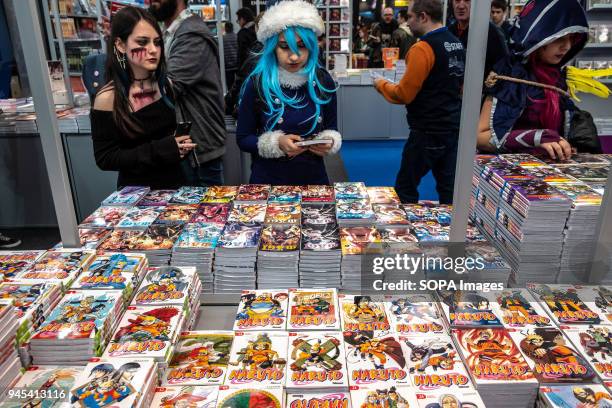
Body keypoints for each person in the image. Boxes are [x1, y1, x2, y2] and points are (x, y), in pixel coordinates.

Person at [236, 0, 342, 185]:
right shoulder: (258, 83)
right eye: (284, 47)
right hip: (269, 182)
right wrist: (276, 143)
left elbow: (332, 129)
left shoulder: (323, 81)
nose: (293, 56)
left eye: (301, 46)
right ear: (272, 48)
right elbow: (243, 138)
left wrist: (329, 142)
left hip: (313, 181)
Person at [91, 6, 195, 189]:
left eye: (157, 42)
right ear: (121, 45)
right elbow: (105, 158)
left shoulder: (165, 85)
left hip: (176, 189)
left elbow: (165, 137)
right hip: (137, 197)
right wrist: (162, 149)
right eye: (142, 42)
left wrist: (179, 145)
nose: (153, 50)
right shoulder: (108, 98)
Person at [374, 0, 465, 204]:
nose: (408, 23)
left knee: (405, 187)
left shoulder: (422, 48)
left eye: (410, 17)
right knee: (448, 187)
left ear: (423, 16)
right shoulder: (455, 42)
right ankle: (454, 231)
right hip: (452, 126)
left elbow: (404, 94)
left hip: (427, 130)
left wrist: (380, 84)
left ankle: (405, 233)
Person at [477, 0, 590, 160]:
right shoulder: (511, 75)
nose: (566, 46)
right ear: (539, 36)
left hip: (549, 171)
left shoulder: (557, 77)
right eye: (559, 38)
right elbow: (480, 137)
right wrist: (535, 137)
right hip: (508, 173)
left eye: (572, 38)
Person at [149, 0, 226, 186]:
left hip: (197, 150)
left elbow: (169, 87)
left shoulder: (190, 34)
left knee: (204, 212)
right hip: (185, 145)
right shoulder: (171, 33)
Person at [449, 0, 509, 79]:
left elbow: (502, 68)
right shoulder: (450, 31)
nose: (461, 6)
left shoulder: (491, 32)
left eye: (467, 0)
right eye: (457, 0)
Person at [223, 22, 239, 89]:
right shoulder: (237, 36)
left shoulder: (223, 39)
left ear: (226, 28)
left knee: (230, 86)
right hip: (237, 65)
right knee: (238, 84)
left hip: (228, 67)